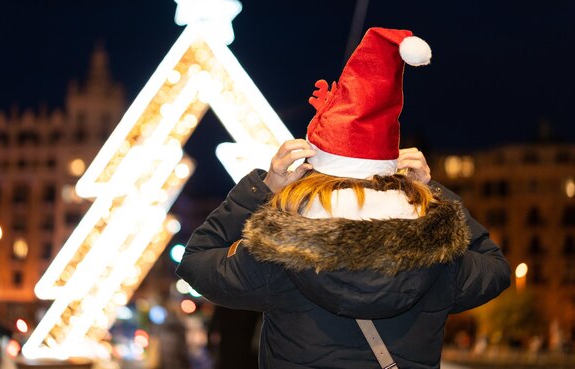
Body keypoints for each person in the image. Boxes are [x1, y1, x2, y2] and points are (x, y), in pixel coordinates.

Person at [177, 27, 511, 368]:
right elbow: (496, 268)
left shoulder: (279, 255)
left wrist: (265, 187)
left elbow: (196, 260)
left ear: (317, 172)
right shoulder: (439, 260)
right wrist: (432, 190)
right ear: (388, 168)